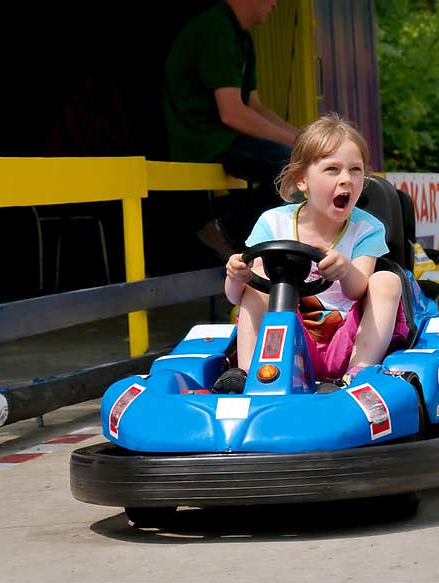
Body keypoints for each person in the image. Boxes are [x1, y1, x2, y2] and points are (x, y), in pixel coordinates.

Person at [218, 114, 409, 393]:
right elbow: (236, 296)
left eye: (355, 170)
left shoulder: (366, 228)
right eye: (332, 169)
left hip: (348, 336)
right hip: (285, 337)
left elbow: (358, 290)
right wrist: (236, 276)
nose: (346, 179)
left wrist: (344, 270)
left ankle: (359, 373)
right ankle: (248, 374)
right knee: (258, 277)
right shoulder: (273, 223)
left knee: (385, 282)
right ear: (302, 180)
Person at [163, 0, 300, 258]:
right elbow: (232, 113)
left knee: (300, 162)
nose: (275, 2)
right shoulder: (215, 29)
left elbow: (254, 106)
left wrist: (303, 138)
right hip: (206, 140)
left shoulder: (243, 39)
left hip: (230, 139)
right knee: (291, 165)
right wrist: (301, 146)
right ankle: (224, 231)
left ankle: (245, 238)